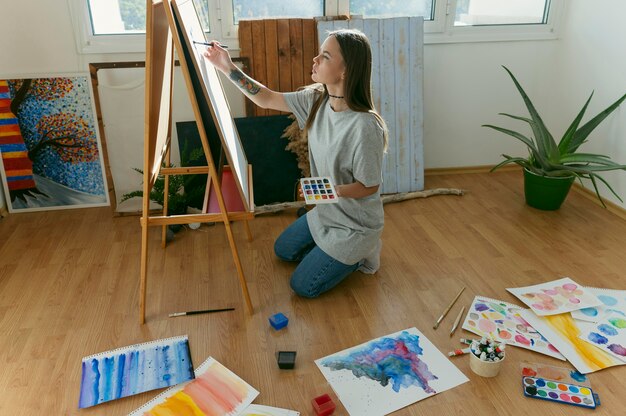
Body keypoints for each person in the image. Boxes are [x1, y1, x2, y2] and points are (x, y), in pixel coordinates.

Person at [204, 29, 387, 298]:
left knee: (303, 286)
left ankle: (363, 254)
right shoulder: (316, 100)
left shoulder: (365, 126)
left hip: (354, 225)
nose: (314, 60)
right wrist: (227, 67)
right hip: (327, 212)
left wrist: (329, 191)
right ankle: (330, 251)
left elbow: (369, 187)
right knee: (283, 250)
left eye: (324, 56)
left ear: (345, 71)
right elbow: (265, 97)